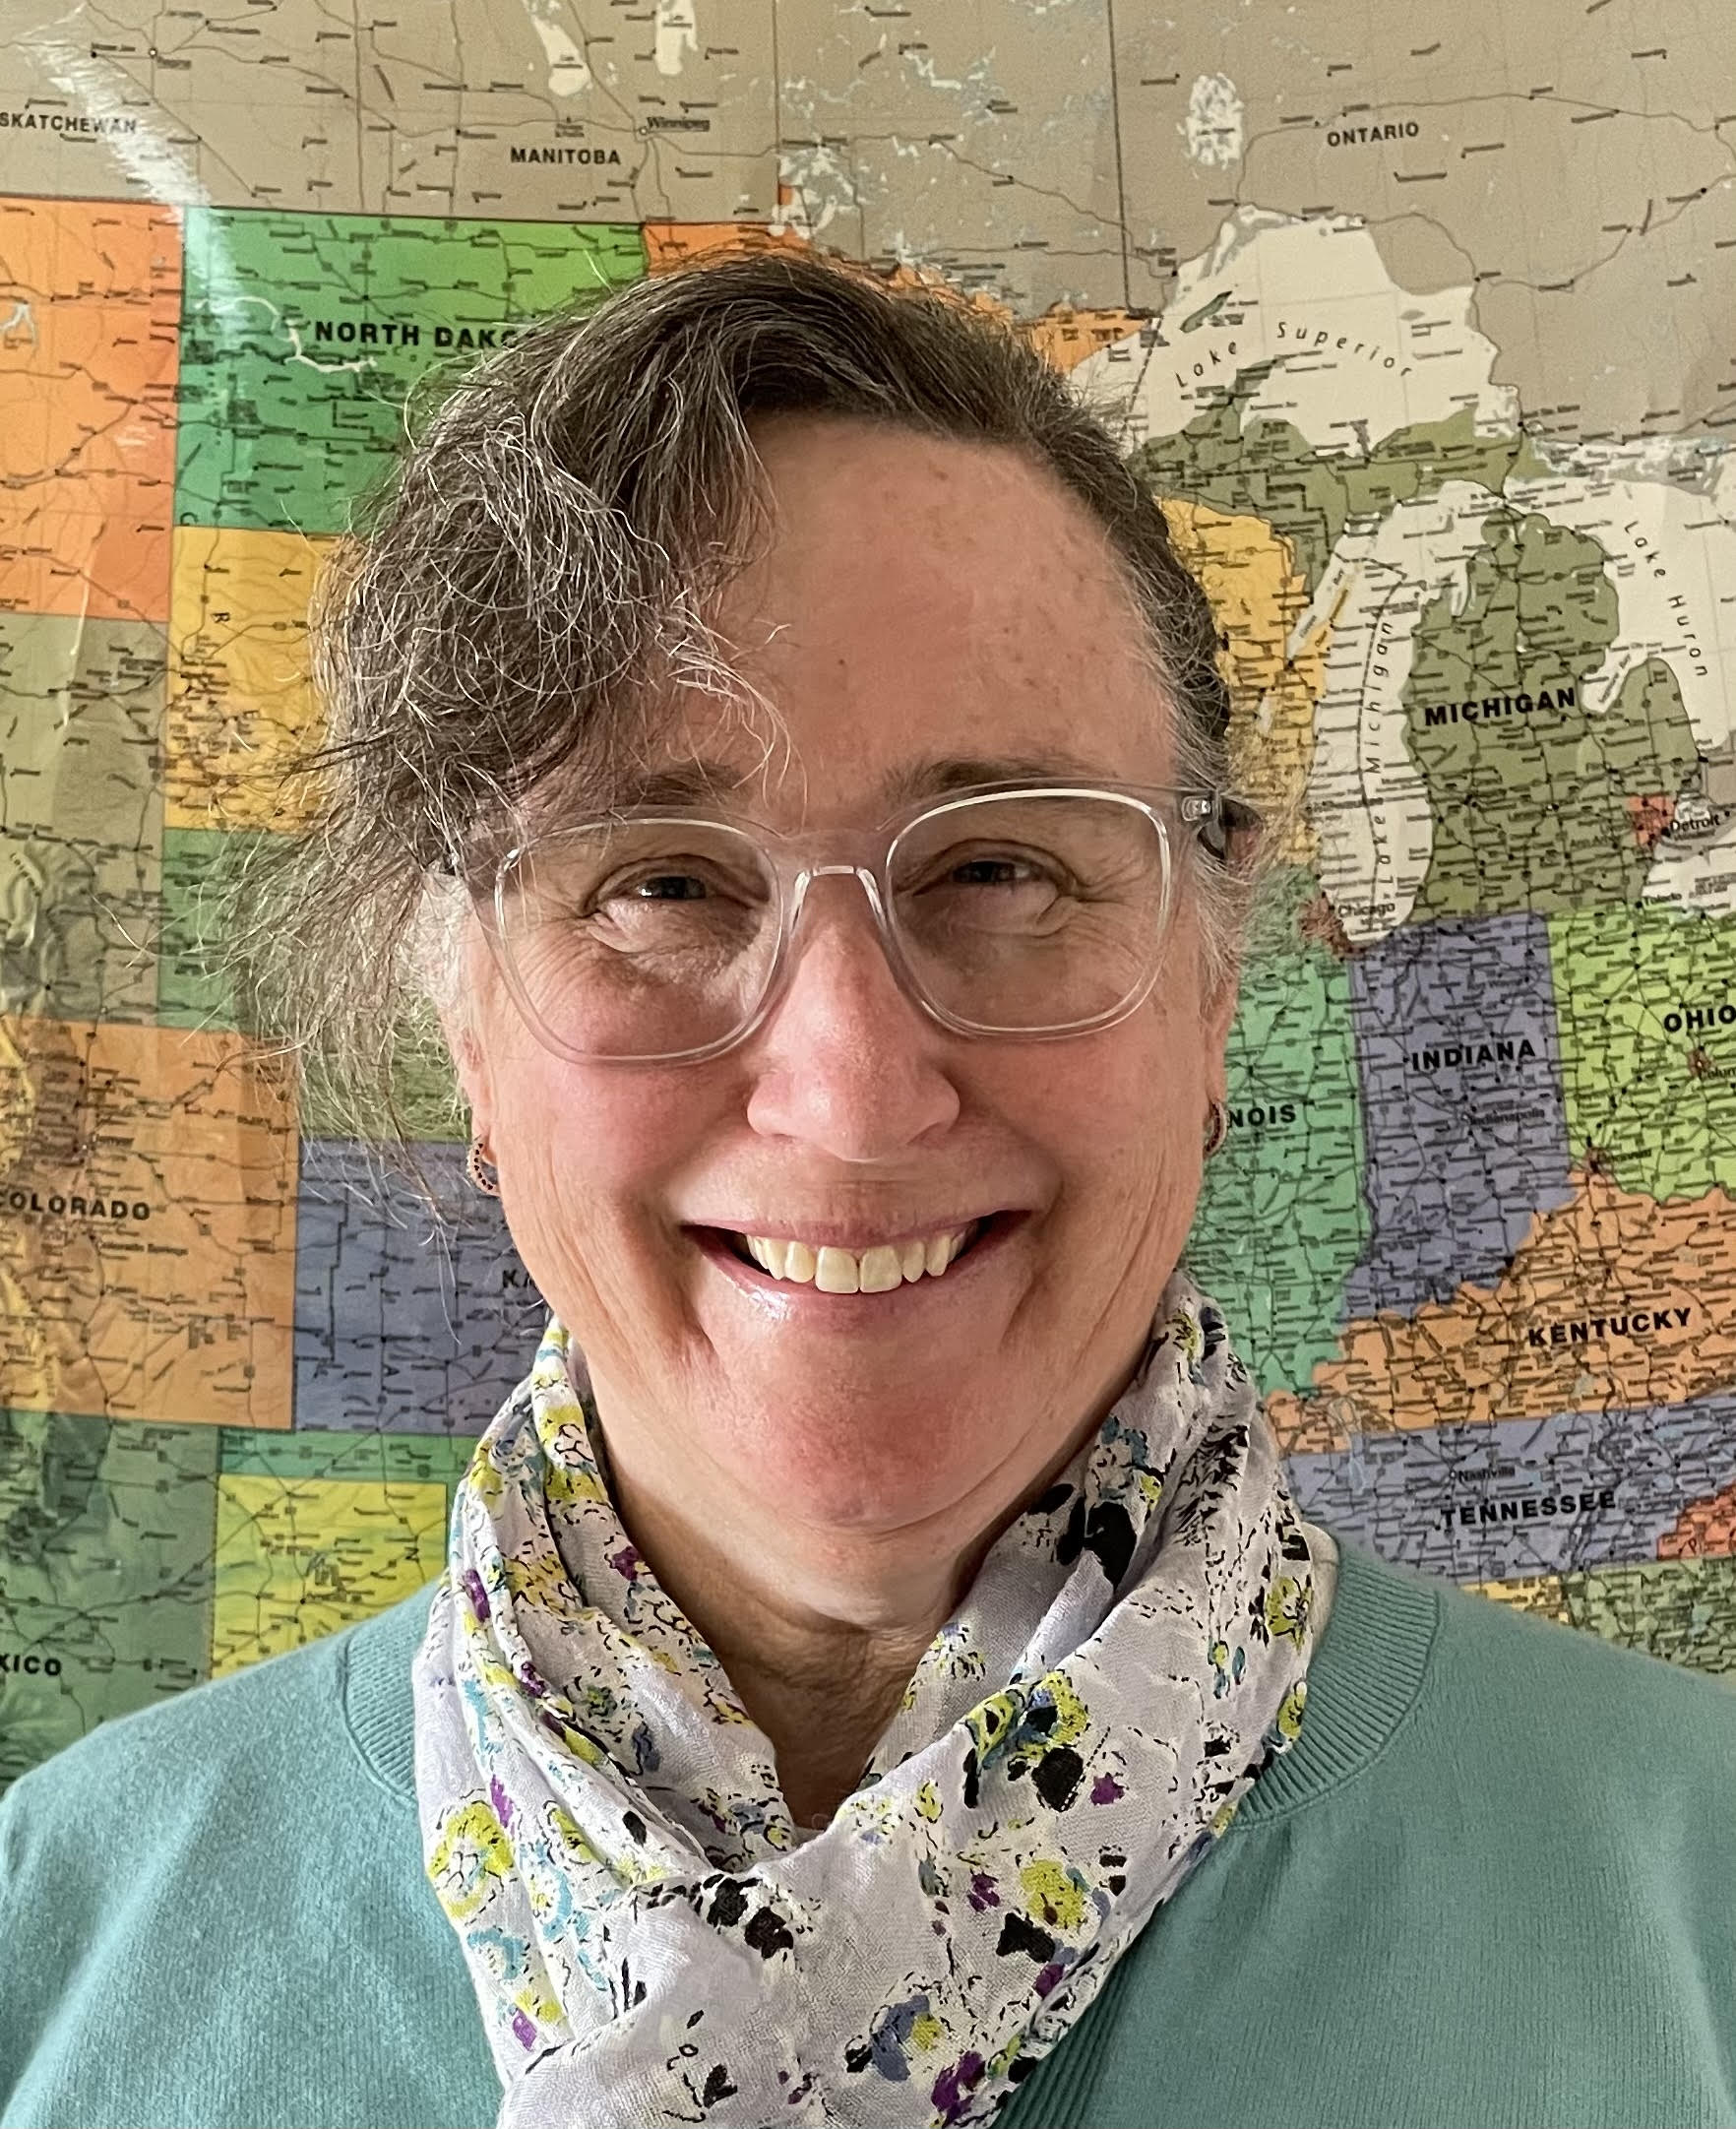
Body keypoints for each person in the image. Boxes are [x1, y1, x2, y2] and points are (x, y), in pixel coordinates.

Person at [2, 251, 1732, 2129]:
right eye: (661, 884)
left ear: (1213, 983)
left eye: (999, 871)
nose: (850, 1089)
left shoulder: (1693, 1894)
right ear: (467, 1025)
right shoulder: (55, 1941)